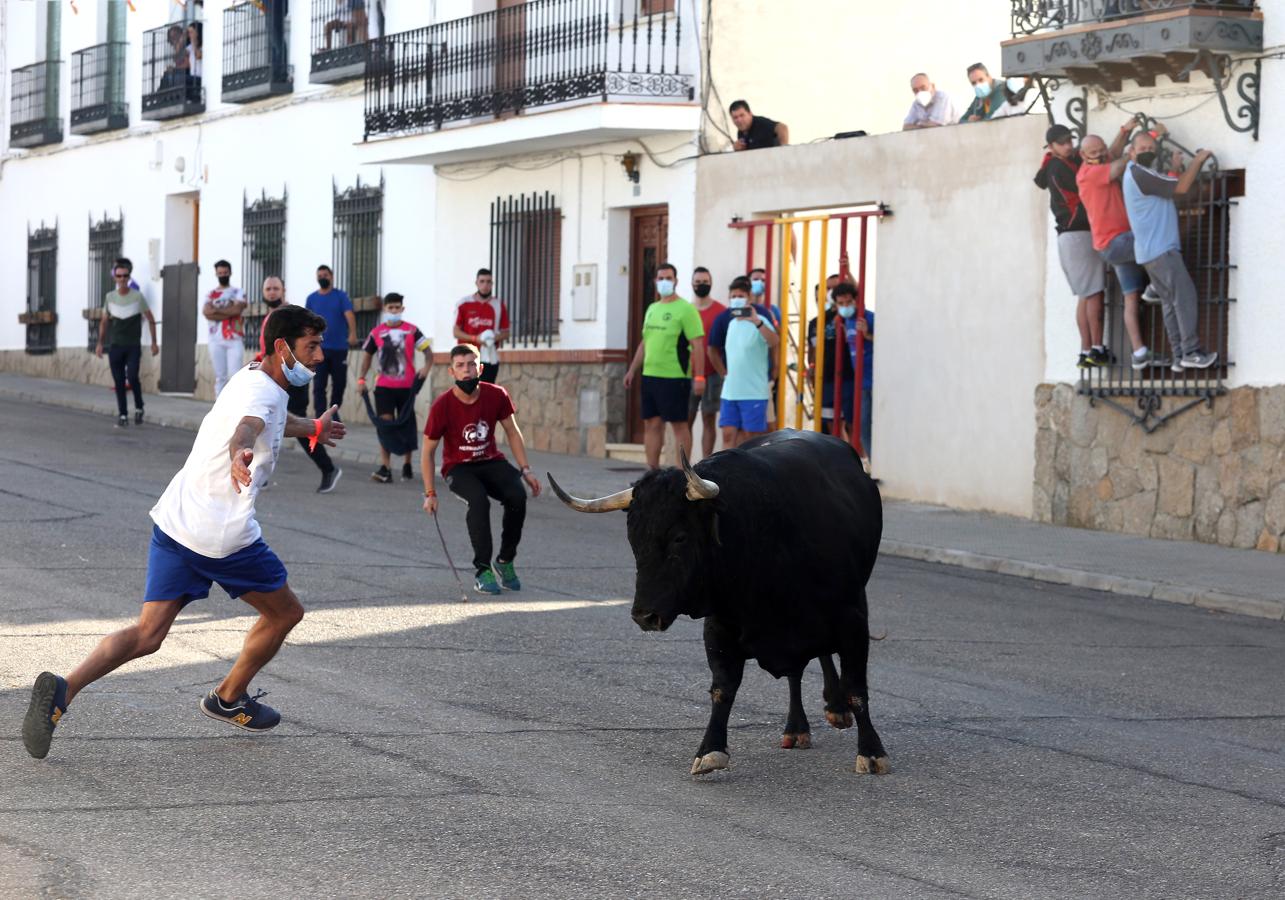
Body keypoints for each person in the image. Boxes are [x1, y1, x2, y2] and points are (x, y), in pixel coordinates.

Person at [22, 305, 347, 760]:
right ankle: (228, 697)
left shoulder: (253, 376)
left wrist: (311, 427)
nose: (318, 357)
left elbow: (269, 418)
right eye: (311, 347)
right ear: (282, 347)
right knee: (285, 613)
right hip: (222, 535)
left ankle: (62, 691)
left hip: (175, 521)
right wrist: (239, 455)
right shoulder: (263, 395)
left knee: (148, 634)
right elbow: (249, 427)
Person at [422, 344, 542, 596]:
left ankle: (505, 561)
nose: (467, 370)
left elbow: (512, 431)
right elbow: (428, 451)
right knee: (478, 501)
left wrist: (526, 470)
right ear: (451, 372)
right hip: (458, 467)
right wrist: (430, 493)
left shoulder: (496, 395)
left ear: (481, 367)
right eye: (460, 366)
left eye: (471, 364)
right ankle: (482, 570)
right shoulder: (442, 405)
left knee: (517, 496)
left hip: (490, 461)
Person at [1122, 132, 1218, 370]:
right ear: (1131, 152)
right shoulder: (1138, 173)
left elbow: (1167, 188)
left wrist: (1175, 168)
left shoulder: (1140, 175)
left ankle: (1178, 355)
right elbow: (1182, 188)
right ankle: (1191, 351)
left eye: (1150, 147)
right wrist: (1198, 160)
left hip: (1150, 253)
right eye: (1142, 147)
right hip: (1162, 251)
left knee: (1170, 303)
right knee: (1184, 297)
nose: (1147, 151)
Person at [1077, 124, 1156, 370]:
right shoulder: (1088, 174)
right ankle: (1156, 286)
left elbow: (1111, 152)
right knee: (1155, 242)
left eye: (1101, 150)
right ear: (1083, 156)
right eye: (1095, 153)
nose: (1101, 155)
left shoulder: (1098, 161)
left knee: (1130, 297)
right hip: (1116, 242)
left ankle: (1139, 353)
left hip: (1118, 243)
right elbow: (1116, 166)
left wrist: (1124, 131)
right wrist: (1132, 153)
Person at [257, 276, 343, 493]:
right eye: (268, 289)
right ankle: (259, 473)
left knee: (293, 424)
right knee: (269, 422)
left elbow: (297, 351)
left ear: (283, 290)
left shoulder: (290, 318)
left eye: (276, 288)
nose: (272, 292)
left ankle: (328, 468)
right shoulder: (272, 317)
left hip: (292, 377)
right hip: (276, 375)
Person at [1035, 124, 1108, 369]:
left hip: (1068, 236)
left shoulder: (1055, 165)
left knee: (1085, 295)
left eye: (1069, 140)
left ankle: (1085, 351)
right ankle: (1096, 349)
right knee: (1094, 292)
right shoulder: (1058, 168)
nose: (1069, 145)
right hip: (1078, 233)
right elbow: (1086, 187)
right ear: (1052, 147)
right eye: (1063, 142)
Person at [623, 262, 706, 469]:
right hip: (650, 375)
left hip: (675, 377)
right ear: (655, 281)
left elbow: (697, 344)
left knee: (679, 425)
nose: (664, 282)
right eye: (660, 278)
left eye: (668, 278)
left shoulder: (686, 309)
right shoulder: (652, 308)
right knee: (651, 424)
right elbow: (645, 342)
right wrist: (632, 370)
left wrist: (699, 377)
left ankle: (682, 473)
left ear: (676, 281)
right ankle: (652, 472)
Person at [358, 292, 433, 483]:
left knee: (407, 425)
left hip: (407, 387)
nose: (393, 311)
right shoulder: (376, 333)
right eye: (390, 308)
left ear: (402, 309)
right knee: (384, 426)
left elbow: (428, 353)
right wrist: (361, 379)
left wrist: (426, 368)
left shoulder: (412, 330)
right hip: (383, 387)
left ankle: (407, 464)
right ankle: (386, 467)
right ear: (385, 309)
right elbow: (367, 356)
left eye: (396, 308)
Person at [707, 276, 778, 450]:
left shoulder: (761, 320)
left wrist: (757, 321)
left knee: (750, 439)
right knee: (728, 435)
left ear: (748, 298)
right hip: (731, 392)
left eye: (740, 295)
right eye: (733, 296)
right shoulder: (730, 323)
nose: (736, 299)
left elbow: (774, 341)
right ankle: (726, 475)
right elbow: (715, 350)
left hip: (754, 392)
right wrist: (725, 374)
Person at [96, 259, 159, 428]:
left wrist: (154, 342)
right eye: (119, 276)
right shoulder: (109, 297)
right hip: (115, 345)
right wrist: (100, 343)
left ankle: (139, 406)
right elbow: (104, 322)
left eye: (125, 276)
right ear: (115, 278)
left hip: (132, 345)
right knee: (118, 381)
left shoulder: (137, 297)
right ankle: (123, 413)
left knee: (132, 376)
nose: (122, 279)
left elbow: (150, 318)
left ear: (129, 277)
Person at [305, 264, 358, 420]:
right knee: (319, 385)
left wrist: (353, 334)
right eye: (320, 276)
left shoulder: (341, 296)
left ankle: (333, 413)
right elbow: (307, 321)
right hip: (318, 349)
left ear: (332, 276)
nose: (323, 278)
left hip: (339, 348)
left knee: (339, 383)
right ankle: (320, 416)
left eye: (325, 275)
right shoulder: (311, 298)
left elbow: (349, 315)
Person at [808, 274, 856, 439]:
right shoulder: (817, 321)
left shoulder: (850, 314)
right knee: (832, 424)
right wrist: (812, 368)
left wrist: (849, 272)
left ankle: (862, 461)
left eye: (834, 287)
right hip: (827, 378)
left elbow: (858, 294)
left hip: (849, 376)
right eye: (827, 288)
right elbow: (813, 349)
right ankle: (841, 460)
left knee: (852, 423)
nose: (830, 292)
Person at [832, 282, 875, 458]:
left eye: (848, 302)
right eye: (841, 304)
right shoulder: (846, 321)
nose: (845, 307)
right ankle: (874, 464)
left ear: (856, 301)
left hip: (876, 380)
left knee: (876, 426)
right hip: (862, 382)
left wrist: (867, 335)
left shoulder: (867, 318)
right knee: (863, 427)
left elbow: (890, 342)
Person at [686, 266, 726, 459]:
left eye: (705, 282)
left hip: (713, 374)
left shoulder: (721, 311)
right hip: (687, 374)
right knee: (686, 420)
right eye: (698, 282)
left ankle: (705, 466)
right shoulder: (686, 311)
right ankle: (682, 467)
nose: (701, 285)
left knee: (708, 419)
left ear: (711, 283)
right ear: (692, 284)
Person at [454, 268, 510, 384]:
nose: (485, 285)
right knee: (467, 393)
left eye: (489, 281)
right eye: (482, 281)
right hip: (466, 358)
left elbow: (506, 332)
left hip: (489, 357)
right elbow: (456, 332)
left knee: (486, 394)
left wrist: (492, 338)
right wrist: (475, 338)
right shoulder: (464, 303)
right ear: (476, 283)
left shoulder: (498, 305)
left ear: (492, 284)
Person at [203, 259, 247, 396]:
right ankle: (219, 410)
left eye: (225, 272)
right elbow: (206, 313)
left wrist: (216, 311)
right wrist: (228, 311)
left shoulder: (238, 292)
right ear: (216, 274)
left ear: (230, 273)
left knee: (235, 377)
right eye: (220, 272)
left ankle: (236, 409)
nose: (223, 275)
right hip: (215, 339)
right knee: (220, 376)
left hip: (234, 338)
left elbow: (237, 310)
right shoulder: (210, 294)